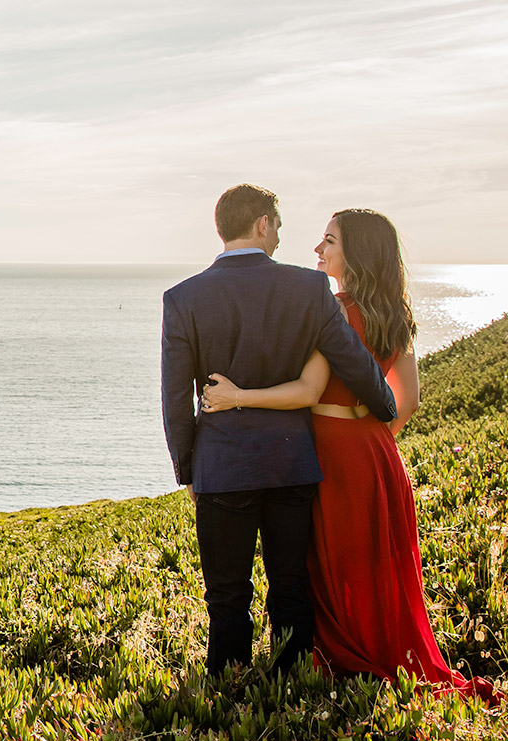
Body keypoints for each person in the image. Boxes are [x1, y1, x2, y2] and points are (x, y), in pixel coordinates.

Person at [199, 210, 498, 702]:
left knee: (328, 562)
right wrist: (371, 437)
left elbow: (308, 389)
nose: (318, 249)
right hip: (376, 453)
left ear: (355, 254)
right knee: (375, 563)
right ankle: (385, 652)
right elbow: (410, 400)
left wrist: (238, 397)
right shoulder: (395, 313)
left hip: (331, 453)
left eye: (329, 240)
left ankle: (342, 656)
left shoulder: (331, 309)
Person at [161, 185, 398, 675]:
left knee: (226, 592)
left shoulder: (182, 298)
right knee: (290, 584)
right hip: (292, 462)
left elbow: (175, 398)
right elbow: (353, 362)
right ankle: (291, 684)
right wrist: (384, 404)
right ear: (263, 224)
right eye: (279, 226)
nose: (281, 236)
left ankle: (229, 692)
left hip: (221, 467)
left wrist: (188, 470)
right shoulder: (307, 289)